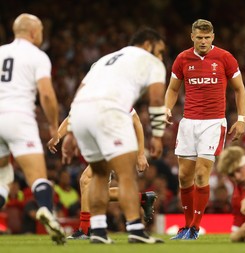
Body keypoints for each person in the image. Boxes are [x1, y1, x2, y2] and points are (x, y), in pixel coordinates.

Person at [62, 27, 167, 244]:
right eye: (159, 51)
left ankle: (98, 231)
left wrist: (71, 131)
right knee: (125, 175)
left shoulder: (104, 60)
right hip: (109, 114)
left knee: (98, 176)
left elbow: (81, 90)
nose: (160, 56)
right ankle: (136, 230)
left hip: (81, 113)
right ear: (148, 44)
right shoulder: (151, 61)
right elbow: (156, 100)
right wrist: (157, 135)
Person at [165, 19, 245, 240]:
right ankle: (186, 225)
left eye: (207, 37)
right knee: (184, 177)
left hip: (213, 122)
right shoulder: (182, 58)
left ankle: (195, 227)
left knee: (202, 174)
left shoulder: (224, 58)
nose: (203, 41)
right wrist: (166, 108)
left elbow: (239, 89)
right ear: (192, 36)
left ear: (213, 37)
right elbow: (173, 89)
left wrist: (241, 118)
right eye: (199, 37)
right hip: (188, 122)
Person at [0, 13, 65, 244]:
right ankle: (47, 211)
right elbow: (46, 94)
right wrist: (53, 125)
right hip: (19, 118)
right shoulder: (37, 56)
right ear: (34, 32)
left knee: (2, 176)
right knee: (37, 176)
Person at [49, 109, 158, 239]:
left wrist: (140, 154)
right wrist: (58, 136)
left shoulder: (114, 94)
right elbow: (71, 117)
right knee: (98, 192)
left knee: (86, 180)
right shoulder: (89, 95)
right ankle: (142, 198)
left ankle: (85, 229)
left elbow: (137, 122)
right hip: (102, 146)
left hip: (117, 145)